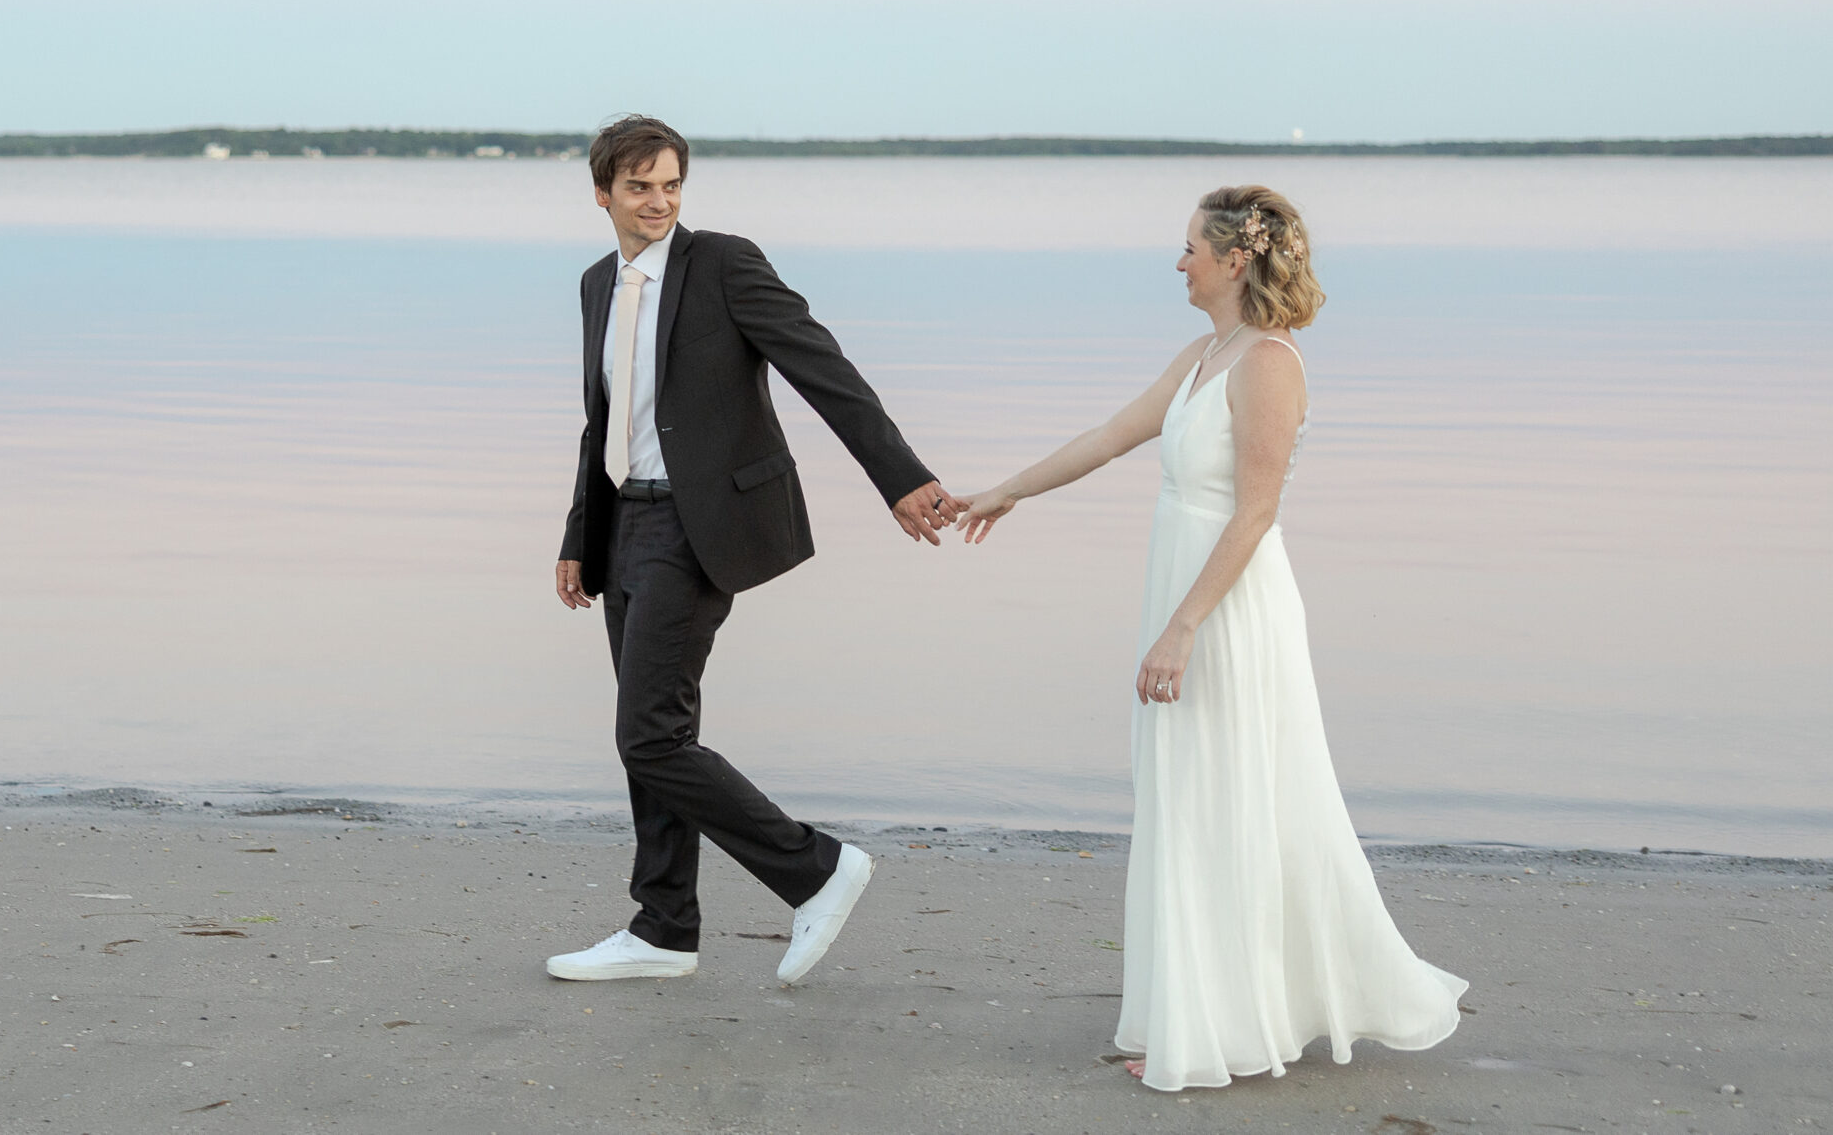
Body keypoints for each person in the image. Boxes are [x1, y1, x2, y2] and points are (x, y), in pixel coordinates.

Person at [958, 186, 1466, 1090]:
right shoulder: (1204, 353)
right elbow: (1109, 436)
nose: (1179, 260)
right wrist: (1007, 491)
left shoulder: (1269, 363)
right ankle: (1198, 1009)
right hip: (1184, 589)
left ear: (1235, 259)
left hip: (1228, 610)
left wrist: (1183, 626)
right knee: (1186, 800)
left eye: (1191, 246)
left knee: (1225, 799)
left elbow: (1256, 511)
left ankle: (1226, 1027)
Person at [545, 114, 964, 986]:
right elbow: (601, 420)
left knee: (649, 736)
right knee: (660, 729)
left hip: (700, 526)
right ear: (601, 194)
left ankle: (816, 868)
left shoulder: (724, 264)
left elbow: (822, 367)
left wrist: (900, 477)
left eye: (671, 185)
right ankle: (664, 927)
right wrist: (579, 536)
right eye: (639, 187)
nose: (658, 202)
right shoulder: (595, 284)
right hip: (625, 524)